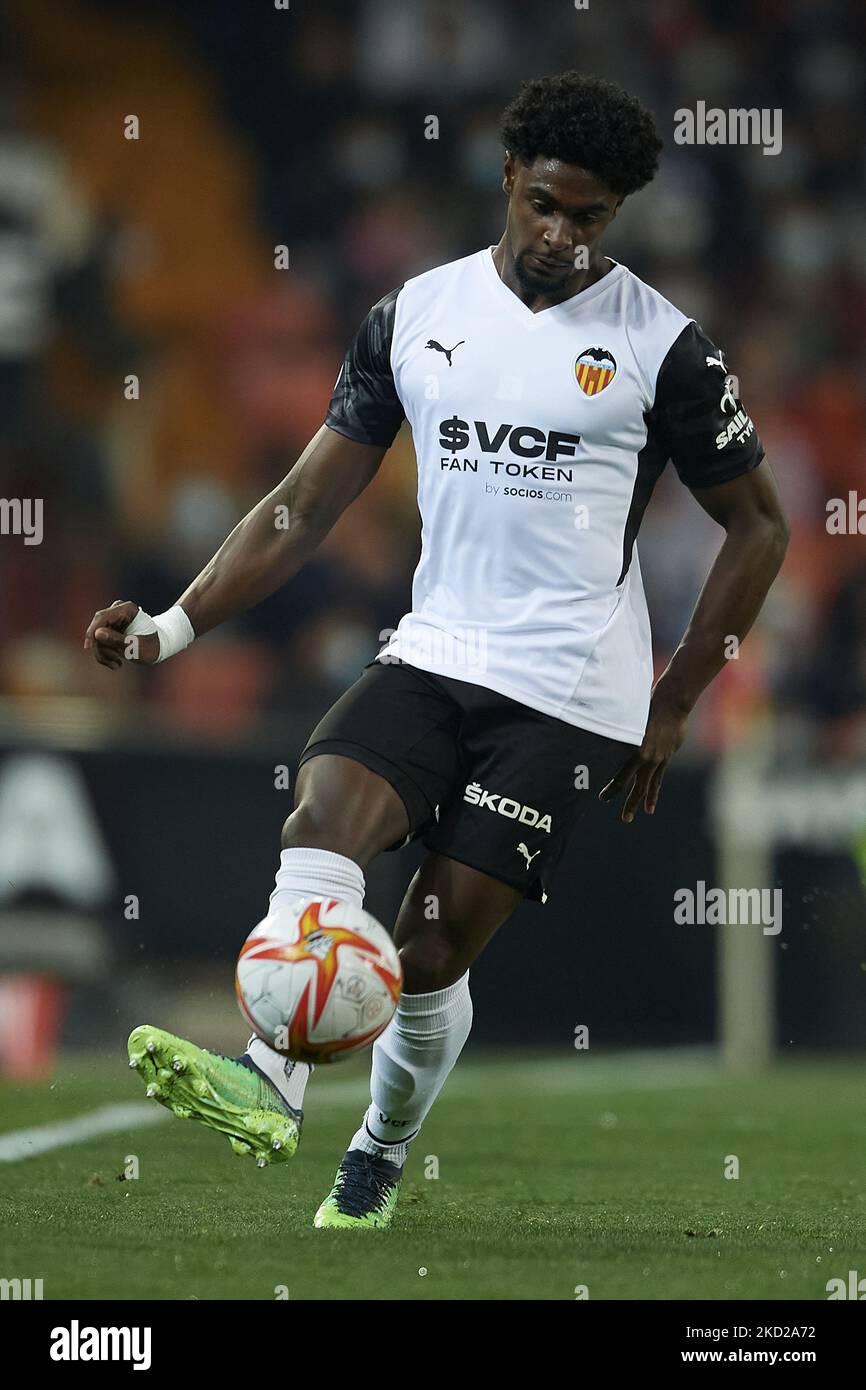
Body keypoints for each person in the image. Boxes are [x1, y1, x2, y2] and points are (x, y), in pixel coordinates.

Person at [85, 73, 788, 1230]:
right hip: (433, 650)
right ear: (507, 177)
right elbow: (301, 507)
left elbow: (757, 525)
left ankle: (377, 1146)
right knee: (320, 821)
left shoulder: (662, 348)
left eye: (591, 217)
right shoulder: (415, 315)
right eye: (548, 204)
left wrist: (671, 707)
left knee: (425, 947)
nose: (563, 235)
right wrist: (171, 625)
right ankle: (273, 1081)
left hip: (568, 692)